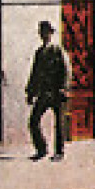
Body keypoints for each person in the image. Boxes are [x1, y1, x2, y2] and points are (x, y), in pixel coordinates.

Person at [25, 20, 70, 161]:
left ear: (51, 33)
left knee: (59, 124)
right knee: (33, 121)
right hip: (44, 93)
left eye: (46, 32)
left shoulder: (58, 50)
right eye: (42, 32)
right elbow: (35, 73)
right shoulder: (39, 52)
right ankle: (41, 149)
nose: (44, 35)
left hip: (57, 92)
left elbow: (66, 70)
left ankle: (59, 152)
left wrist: (64, 88)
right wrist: (30, 92)